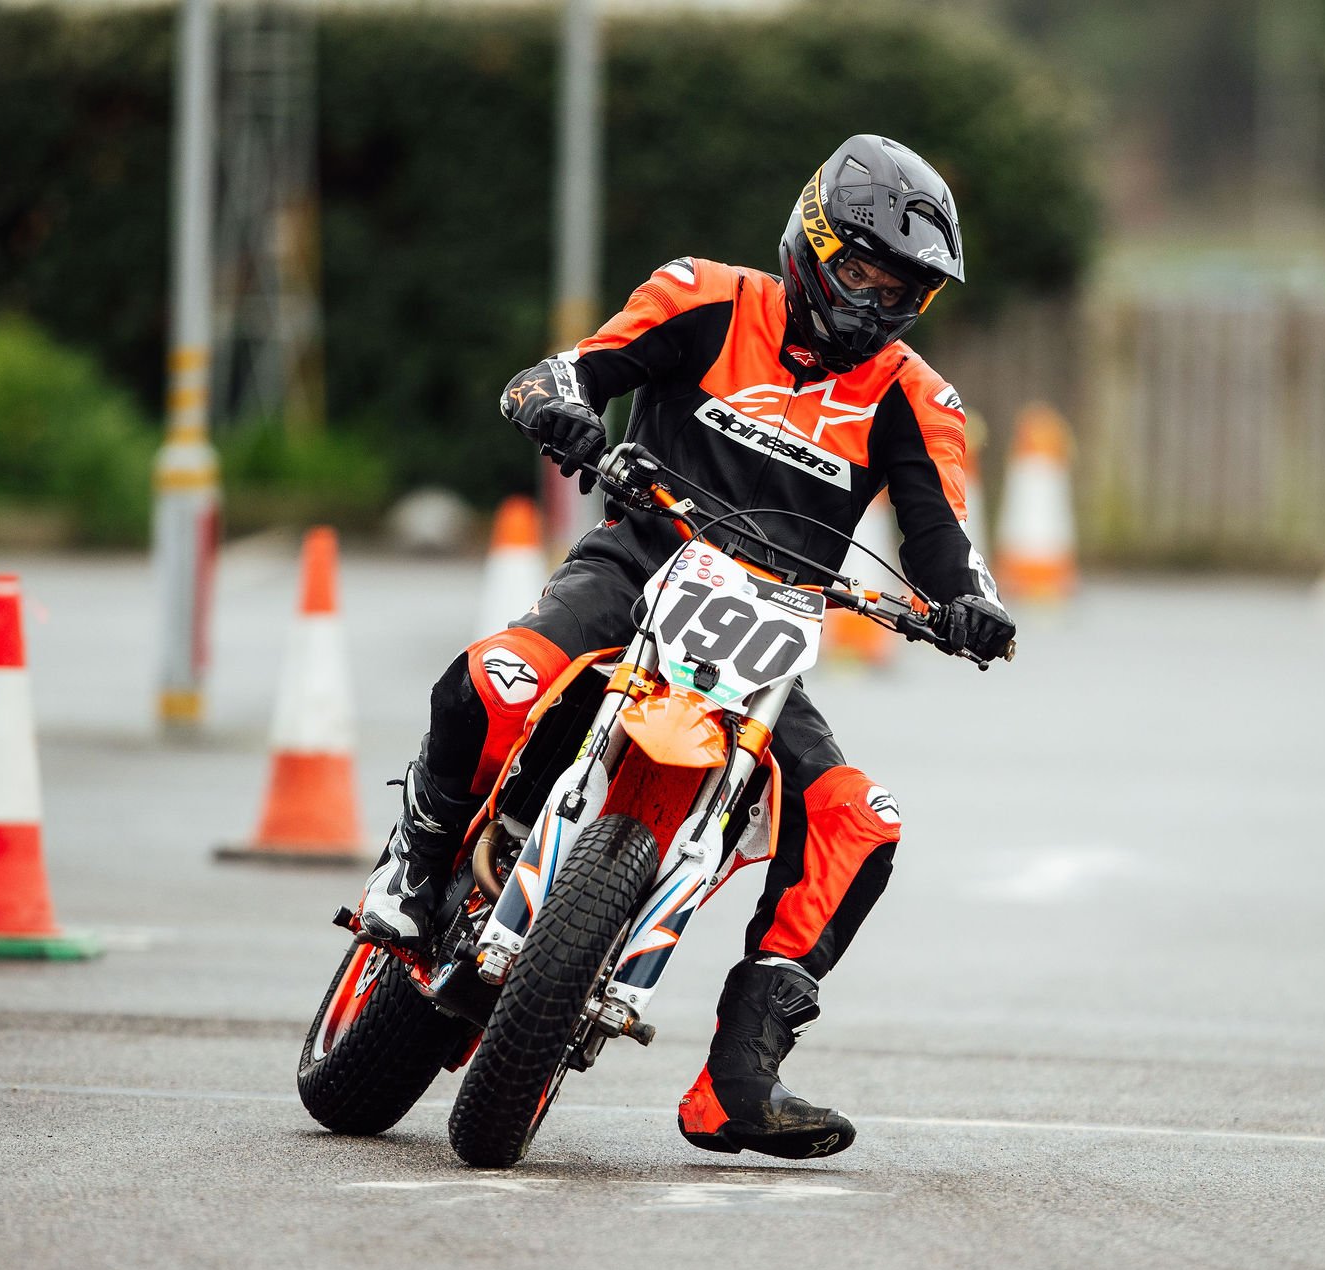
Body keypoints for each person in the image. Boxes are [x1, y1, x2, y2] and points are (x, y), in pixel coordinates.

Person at [357, 133, 1015, 1160]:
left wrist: (970, 606)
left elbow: (943, 545)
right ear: (809, 239)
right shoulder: (702, 293)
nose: (877, 305)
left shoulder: (915, 397)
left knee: (859, 823)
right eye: (862, 274)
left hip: (765, 639)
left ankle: (737, 1082)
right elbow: (566, 371)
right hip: (632, 567)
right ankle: (415, 866)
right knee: (490, 683)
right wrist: (557, 407)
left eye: (904, 293)